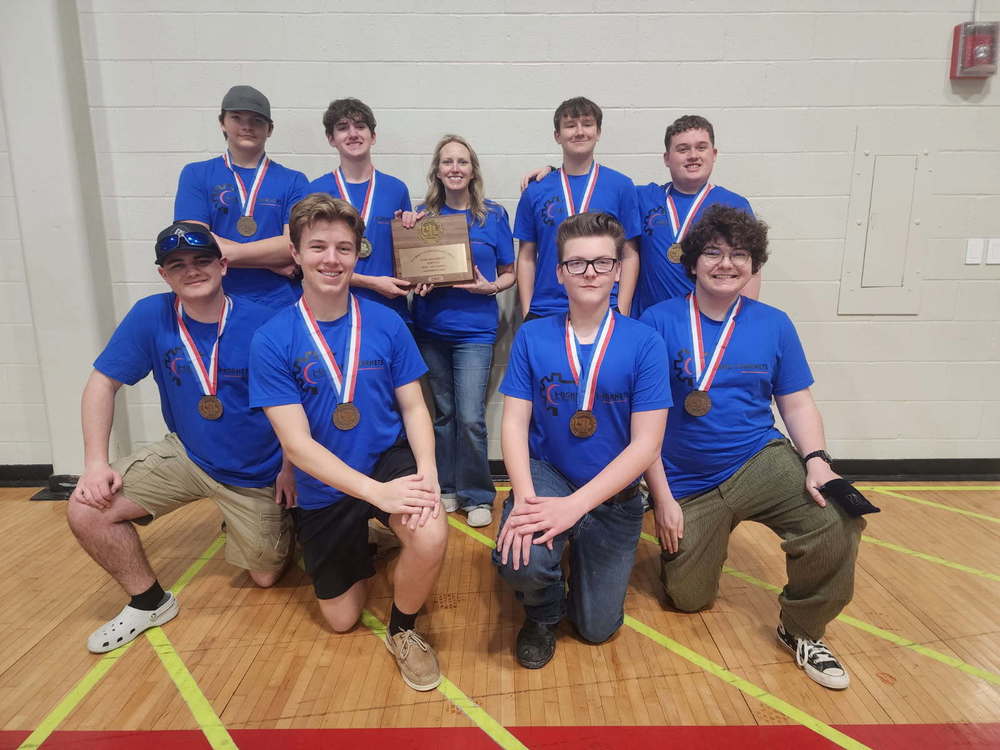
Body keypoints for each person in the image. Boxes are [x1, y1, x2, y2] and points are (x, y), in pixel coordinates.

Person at [640, 205, 863, 690]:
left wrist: (818, 462)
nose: (726, 263)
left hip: (756, 459)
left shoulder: (774, 324)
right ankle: (694, 545)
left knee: (838, 517)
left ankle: (803, 630)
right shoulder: (657, 321)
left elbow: (798, 404)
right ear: (693, 262)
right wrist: (661, 497)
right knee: (687, 598)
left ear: (754, 263)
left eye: (739, 254)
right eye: (714, 253)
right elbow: (644, 422)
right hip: (685, 479)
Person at [249, 194, 448, 692]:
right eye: (317, 247)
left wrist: (427, 471)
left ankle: (403, 630)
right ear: (295, 253)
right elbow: (296, 446)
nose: (331, 259)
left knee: (430, 532)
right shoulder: (272, 339)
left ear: (359, 252)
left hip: (385, 460)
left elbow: (415, 407)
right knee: (341, 619)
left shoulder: (385, 323)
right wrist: (375, 497)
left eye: (343, 247)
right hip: (325, 480)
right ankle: (366, 530)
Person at [67, 222, 294, 654]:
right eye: (178, 265)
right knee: (85, 508)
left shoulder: (265, 322)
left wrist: (289, 466)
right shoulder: (150, 316)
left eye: (202, 260)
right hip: (188, 455)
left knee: (264, 575)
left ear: (223, 264)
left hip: (256, 472)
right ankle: (149, 601)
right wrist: (95, 463)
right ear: (164, 275)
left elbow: (296, 405)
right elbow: (101, 384)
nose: (192, 271)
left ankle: (281, 522)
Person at [494, 212, 670, 669]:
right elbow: (513, 424)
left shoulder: (645, 342)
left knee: (597, 629)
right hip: (549, 473)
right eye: (577, 263)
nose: (589, 272)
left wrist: (577, 507)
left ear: (616, 270)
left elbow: (646, 446)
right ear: (559, 273)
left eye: (600, 262)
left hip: (614, 492)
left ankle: (577, 554)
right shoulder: (533, 336)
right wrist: (528, 502)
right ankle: (544, 608)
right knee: (521, 557)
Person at [408, 135, 515, 528]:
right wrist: (413, 279)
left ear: (473, 171)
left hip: (475, 333)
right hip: (430, 329)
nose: (455, 168)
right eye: (448, 161)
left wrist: (490, 288)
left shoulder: (494, 217)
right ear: (437, 170)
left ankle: (477, 494)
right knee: (443, 415)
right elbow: (408, 268)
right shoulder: (419, 218)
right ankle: (447, 486)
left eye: (463, 162)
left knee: (470, 417)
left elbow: (510, 274)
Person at [174, 85, 309, 309]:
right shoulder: (196, 174)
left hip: (280, 302)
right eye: (237, 118)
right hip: (216, 301)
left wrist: (229, 253)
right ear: (222, 122)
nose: (247, 126)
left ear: (270, 129)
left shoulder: (294, 181)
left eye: (257, 120)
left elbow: (293, 246)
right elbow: (194, 241)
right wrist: (268, 262)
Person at [514, 97, 641, 320]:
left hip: (604, 305)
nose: (579, 132)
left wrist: (622, 308)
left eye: (587, 124)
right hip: (547, 308)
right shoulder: (536, 191)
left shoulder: (621, 186)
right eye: (570, 125)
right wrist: (527, 311)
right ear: (557, 135)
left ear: (598, 132)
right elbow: (526, 256)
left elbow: (629, 254)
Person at [633, 115, 756, 315]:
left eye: (701, 147)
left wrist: (742, 321)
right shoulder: (643, 198)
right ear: (667, 158)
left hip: (711, 323)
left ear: (713, 154)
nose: (693, 155)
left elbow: (751, 270)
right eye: (683, 149)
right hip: (652, 323)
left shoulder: (735, 204)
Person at [307, 98, 414, 322]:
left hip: (391, 310)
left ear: (373, 136)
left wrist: (414, 228)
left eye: (360, 126)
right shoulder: (316, 191)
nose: (353, 133)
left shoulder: (396, 189)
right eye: (343, 128)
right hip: (333, 311)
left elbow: (408, 257)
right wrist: (372, 282)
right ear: (331, 139)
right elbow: (310, 261)